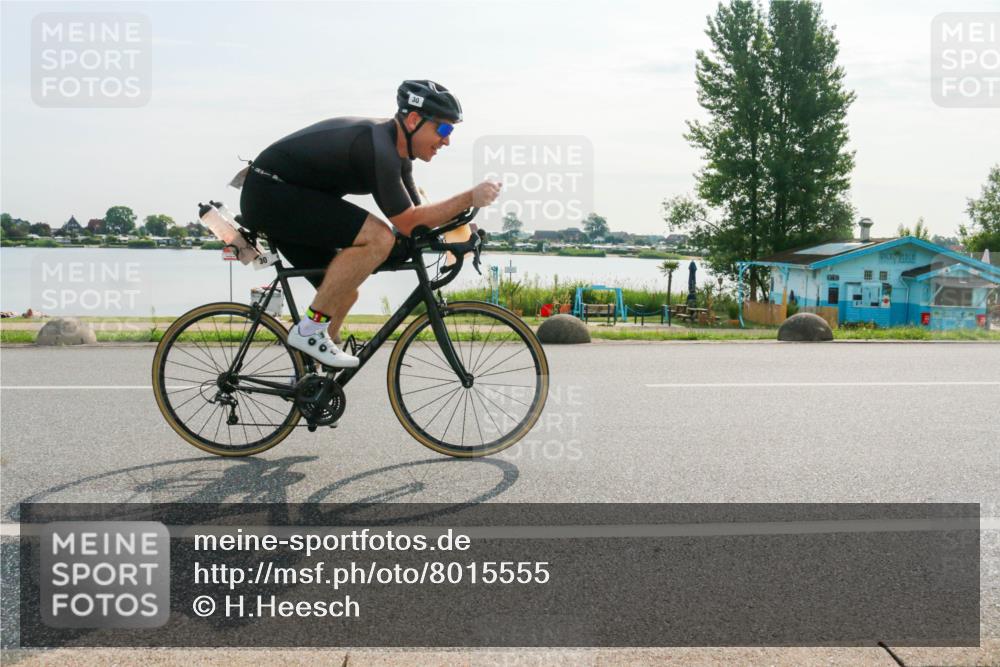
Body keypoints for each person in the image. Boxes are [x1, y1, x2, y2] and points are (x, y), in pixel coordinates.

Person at [239, 80, 501, 368]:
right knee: (378, 237)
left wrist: (462, 230)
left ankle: (310, 378)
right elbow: (407, 223)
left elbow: (420, 218)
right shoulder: (377, 146)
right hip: (270, 193)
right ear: (414, 119)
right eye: (444, 129)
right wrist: (469, 196)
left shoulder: (398, 156)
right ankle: (310, 331)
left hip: (286, 196)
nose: (447, 140)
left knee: (342, 291)